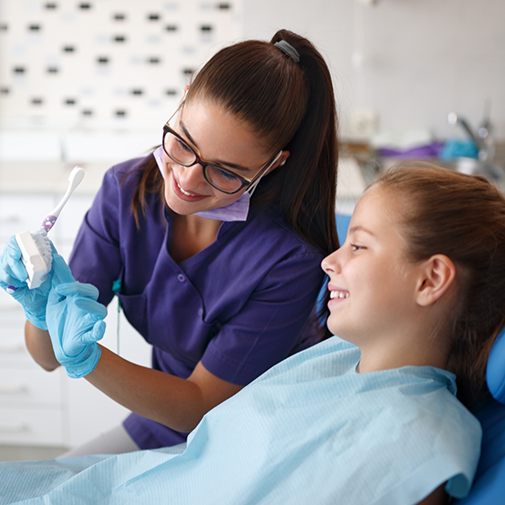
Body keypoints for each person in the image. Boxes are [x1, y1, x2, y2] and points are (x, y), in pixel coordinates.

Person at [1, 161, 501, 504]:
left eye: (359, 247)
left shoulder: (420, 439)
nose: (330, 261)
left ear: (430, 279)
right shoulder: (335, 359)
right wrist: (44, 312)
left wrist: (88, 359)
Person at [0, 30, 339, 455]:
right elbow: (48, 358)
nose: (187, 179)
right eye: (183, 142)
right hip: (161, 423)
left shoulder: (288, 260)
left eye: (226, 171)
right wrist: (40, 306)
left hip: (259, 439)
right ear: (181, 103)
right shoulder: (125, 192)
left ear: (272, 166)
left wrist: (88, 358)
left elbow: (200, 405)